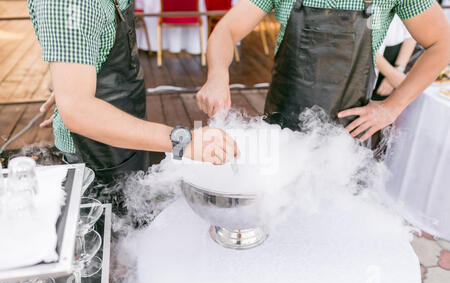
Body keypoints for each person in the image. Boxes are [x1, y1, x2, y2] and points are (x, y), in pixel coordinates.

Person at [29, 0, 238, 185]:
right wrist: (182, 142)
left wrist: (76, 76)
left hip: (130, 136)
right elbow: (78, 110)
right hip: (94, 157)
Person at [196, 0, 450, 144]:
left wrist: (392, 107)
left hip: (346, 140)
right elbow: (227, 29)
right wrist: (217, 75)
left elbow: (442, 43)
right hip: (281, 131)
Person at [373, 15, 417, 100]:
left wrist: (398, 70)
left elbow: (413, 31)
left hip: (397, 59)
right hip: (367, 60)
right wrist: (391, 74)